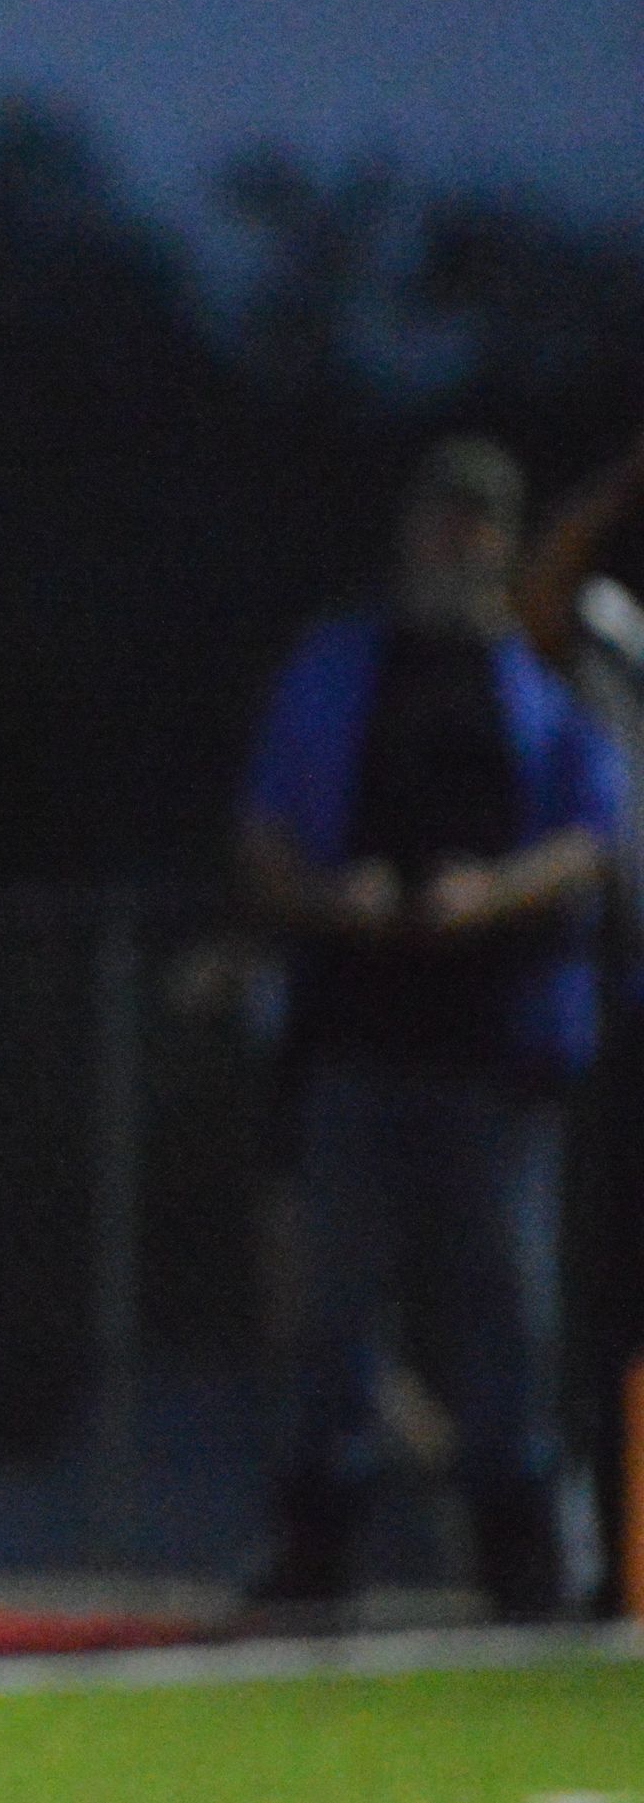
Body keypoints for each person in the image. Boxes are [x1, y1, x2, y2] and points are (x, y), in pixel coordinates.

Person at [239, 436, 625, 1620]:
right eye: (443, 519)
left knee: (505, 1297)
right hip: (360, 1030)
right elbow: (263, 826)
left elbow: (592, 836)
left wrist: (488, 893)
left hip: (496, 1044)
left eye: (481, 526)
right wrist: (330, 897)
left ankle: (520, 1544)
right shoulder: (341, 663)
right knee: (337, 1302)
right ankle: (320, 1533)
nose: (458, 543)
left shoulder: (542, 676)